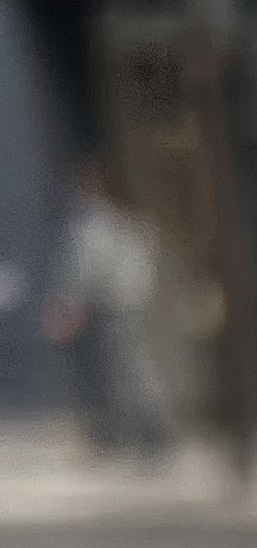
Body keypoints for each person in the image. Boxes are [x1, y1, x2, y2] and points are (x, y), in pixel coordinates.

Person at [42, 158, 173, 459]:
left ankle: (139, 434)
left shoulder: (95, 222)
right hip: (130, 302)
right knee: (131, 369)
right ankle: (143, 434)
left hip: (111, 306)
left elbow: (85, 266)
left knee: (120, 372)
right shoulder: (130, 221)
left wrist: (69, 300)